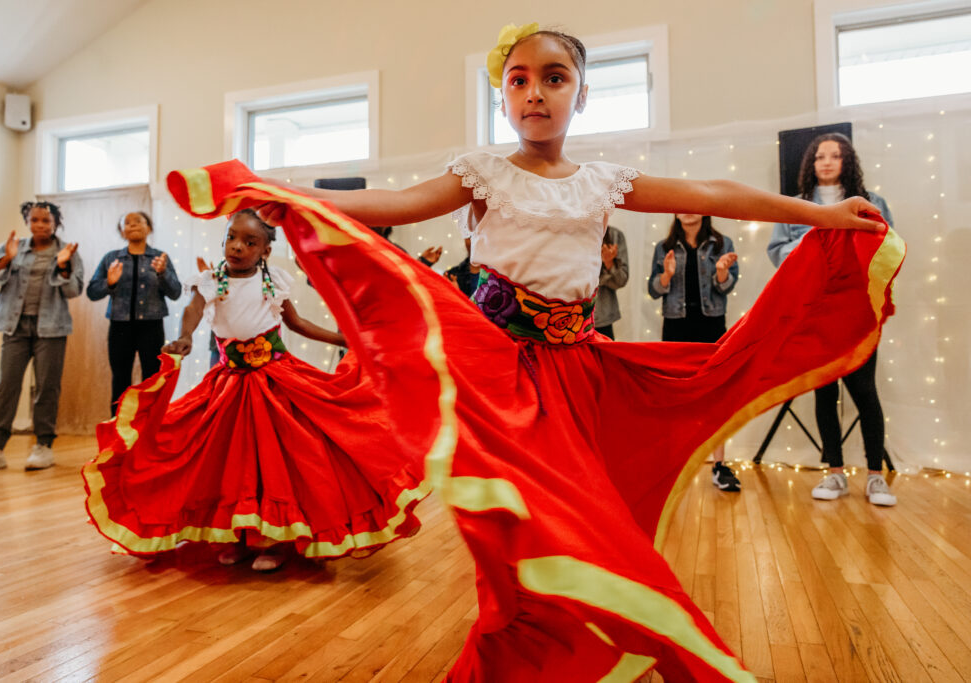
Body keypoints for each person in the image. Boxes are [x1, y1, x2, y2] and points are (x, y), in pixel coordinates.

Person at [168, 23, 902, 681]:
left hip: (582, 373)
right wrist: (287, 194)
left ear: (580, 96)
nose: (535, 93)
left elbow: (713, 188)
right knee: (524, 528)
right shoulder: (482, 173)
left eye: (555, 78)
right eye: (518, 80)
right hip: (502, 377)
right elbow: (390, 202)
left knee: (596, 519)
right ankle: (535, 642)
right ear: (504, 97)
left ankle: (606, 633)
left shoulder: (602, 180)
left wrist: (821, 213)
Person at [82, 209, 428, 571]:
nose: (237, 247)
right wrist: (185, 336)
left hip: (274, 379)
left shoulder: (272, 281)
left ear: (264, 251)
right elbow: (194, 309)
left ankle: (275, 541)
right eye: (232, 238)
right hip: (229, 382)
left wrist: (342, 337)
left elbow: (296, 322)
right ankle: (240, 535)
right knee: (231, 463)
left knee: (275, 462)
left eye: (249, 242)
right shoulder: (210, 280)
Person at [768, 132, 897, 507]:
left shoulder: (872, 203)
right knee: (824, 391)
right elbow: (777, 252)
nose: (826, 162)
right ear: (810, 163)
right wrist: (815, 242)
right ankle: (835, 473)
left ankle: (876, 477)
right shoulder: (793, 206)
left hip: (858, 312)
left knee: (865, 393)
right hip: (814, 312)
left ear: (847, 162)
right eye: (820, 156)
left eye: (835, 156)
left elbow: (887, 248)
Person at [0, 201, 84, 473]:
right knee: (6, 386)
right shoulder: (12, 247)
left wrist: (64, 265)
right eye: (35, 220)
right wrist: (7, 258)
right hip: (15, 327)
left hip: (52, 329)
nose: (40, 225)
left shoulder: (67, 251)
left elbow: (73, 290)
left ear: (55, 223)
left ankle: (43, 447)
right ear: (27, 222)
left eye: (46, 221)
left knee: (47, 387)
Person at [649, 214, 740, 491]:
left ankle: (719, 466)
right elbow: (653, 289)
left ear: (704, 210)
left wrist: (722, 272)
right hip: (676, 324)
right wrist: (666, 275)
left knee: (716, 394)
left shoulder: (721, 243)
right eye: (681, 207)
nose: (687, 211)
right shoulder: (664, 246)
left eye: (693, 206)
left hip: (711, 324)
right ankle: (671, 463)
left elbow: (726, 286)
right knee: (673, 393)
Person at [87, 211, 181, 415]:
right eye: (127, 223)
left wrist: (163, 274)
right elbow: (92, 292)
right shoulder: (111, 258)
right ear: (121, 231)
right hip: (120, 326)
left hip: (151, 326)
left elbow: (176, 293)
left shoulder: (160, 257)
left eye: (138, 221)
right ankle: (117, 431)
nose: (133, 225)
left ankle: (150, 429)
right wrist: (109, 282)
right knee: (120, 378)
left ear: (149, 227)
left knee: (152, 379)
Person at [595, 225, 628, 339]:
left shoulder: (615, 235)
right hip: (570, 315)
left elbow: (621, 281)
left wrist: (609, 264)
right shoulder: (569, 233)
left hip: (602, 316)